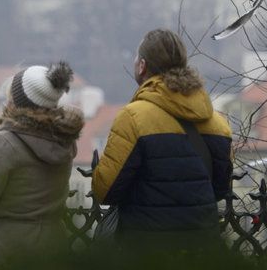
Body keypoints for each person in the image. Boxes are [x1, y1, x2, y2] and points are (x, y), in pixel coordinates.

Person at [92, 28, 233, 245]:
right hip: (202, 245)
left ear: (142, 66)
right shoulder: (219, 125)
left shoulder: (133, 118)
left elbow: (106, 190)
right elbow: (220, 189)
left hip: (147, 247)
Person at [0, 62, 83, 260]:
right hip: (52, 248)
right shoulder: (64, 139)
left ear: (17, 100)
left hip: (7, 250)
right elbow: (34, 130)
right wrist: (2, 120)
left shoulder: (4, 143)